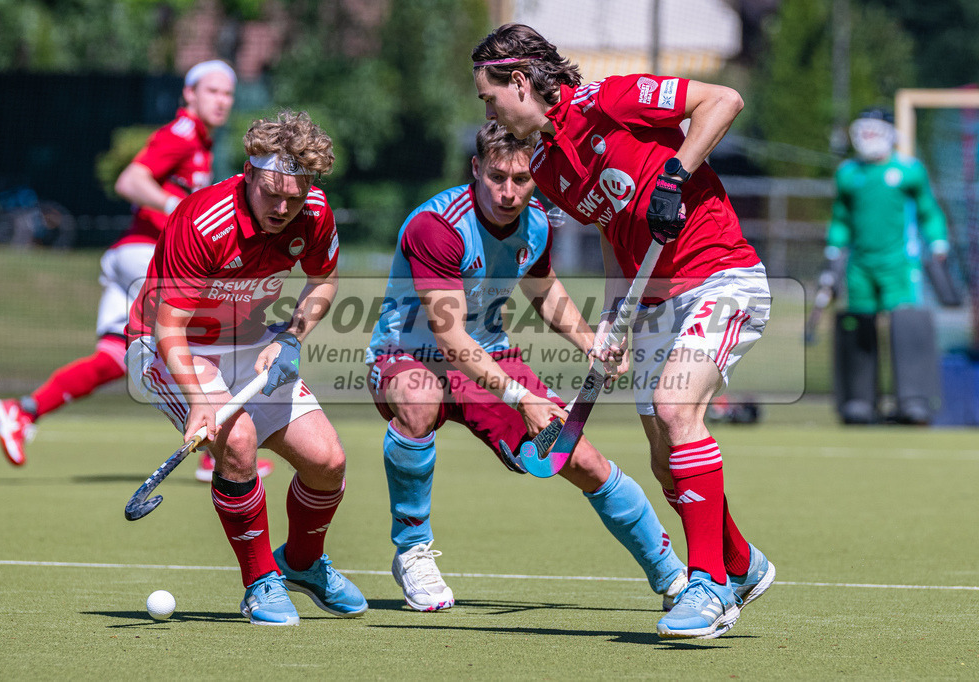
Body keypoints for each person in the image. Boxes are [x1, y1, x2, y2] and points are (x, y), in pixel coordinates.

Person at [472, 23, 775, 639]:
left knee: (675, 406)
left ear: (521, 81)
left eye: (489, 95)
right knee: (666, 462)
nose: (488, 107)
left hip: (720, 276)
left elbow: (724, 100)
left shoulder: (613, 99)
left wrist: (677, 174)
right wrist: (613, 318)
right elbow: (617, 235)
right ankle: (741, 563)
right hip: (655, 300)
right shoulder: (549, 168)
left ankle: (710, 586)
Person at [366, 120, 687, 613]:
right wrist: (524, 398)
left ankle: (674, 578)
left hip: (490, 358)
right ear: (476, 169)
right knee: (418, 395)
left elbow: (544, 291)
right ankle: (412, 550)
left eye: (521, 179)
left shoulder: (535, 223)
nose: (508, 192)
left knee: (581, 460)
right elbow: (450, 340)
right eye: (497, 177)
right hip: (407, 355)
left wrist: (589, 342)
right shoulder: (438, 227)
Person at [124, 110, 366, 625]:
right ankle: (260, 583)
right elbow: (168, 326)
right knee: (236, 442)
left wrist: (293, 338)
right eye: (271, 193)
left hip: (250, 343)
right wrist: (199, 398)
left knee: (328, 462)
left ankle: (302, 564)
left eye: (293, 197)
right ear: (249, 173)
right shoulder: (202, 220)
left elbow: (324, 281)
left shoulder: (315, 213)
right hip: (169, 345)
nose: (282, 208)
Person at [0, 59, 271, 481]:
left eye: (228, 93)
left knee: (114, 359)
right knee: (208, 339)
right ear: (189, 95)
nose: (222, 100)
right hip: (146, 256)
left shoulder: (201, 141)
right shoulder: (182, 134)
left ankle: (23, 410)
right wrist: (181, 209)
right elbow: (131, 181)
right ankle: (218, 454)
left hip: (133, 257)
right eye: (212, 91)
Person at [825, 107, 949, 425]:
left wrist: (937, 241)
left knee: (906, 327)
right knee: (860, 327)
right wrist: (834, 249)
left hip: (899, 264)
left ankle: (913, 401)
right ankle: (860, 401)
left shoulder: (909, 171)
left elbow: (929, 212)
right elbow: (841, 218)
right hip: (861, 266)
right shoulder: (848, 173)